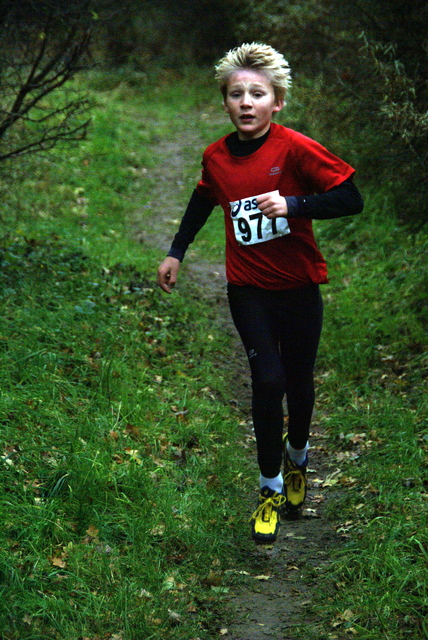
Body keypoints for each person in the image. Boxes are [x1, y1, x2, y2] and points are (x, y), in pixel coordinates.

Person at [157, 42, 364, 544]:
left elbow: (350, 197)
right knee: (267, 381)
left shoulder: (294, 147)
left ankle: (298, 457)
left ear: (277, 102)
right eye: (236, 94)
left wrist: (293, 204)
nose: (246, 102)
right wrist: (176, 252)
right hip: (248, 288)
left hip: (298, 286)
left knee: (298, 381)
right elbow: (203, 198)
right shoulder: (216, 157)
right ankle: (269, 487)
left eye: (257, 93)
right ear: (225, 103)